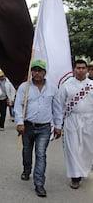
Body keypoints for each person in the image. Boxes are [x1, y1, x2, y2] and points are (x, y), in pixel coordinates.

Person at [14, 60, 62, 197]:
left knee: (41, 154)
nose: (36, 73)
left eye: (39, 70)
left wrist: (58, 126)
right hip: (28, 127)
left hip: (44, 128)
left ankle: (39, 183)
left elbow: (57, 109)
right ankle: (27, 169)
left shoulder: (52, 88)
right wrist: (19, 122)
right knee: (27, 151)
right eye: (33, 70)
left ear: (44, 73)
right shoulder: (25, 87)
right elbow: (18, 106)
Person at [58, 59, 93, 189]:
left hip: (89, 120)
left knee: (87, 149)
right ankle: (75, 177)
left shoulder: (91, 84)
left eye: (83, 68)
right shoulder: (66, 85)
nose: (80, 70)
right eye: (78, 68)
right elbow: (59, 104)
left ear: (87, 70)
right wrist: (58, 123)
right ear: (74, 69)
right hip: (72, 119)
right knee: (72, 148)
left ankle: (83, 170)